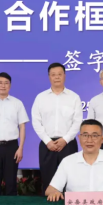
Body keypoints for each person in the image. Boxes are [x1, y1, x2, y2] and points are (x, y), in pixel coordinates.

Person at [45, 119, 103, 202]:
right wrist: (54, 192)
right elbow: (50, 190)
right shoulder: (67, 161)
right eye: (85, 135)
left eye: (94, 136)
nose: (89, 140)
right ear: (79, 138)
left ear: (102, 139)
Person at [32, 63, 83, 194]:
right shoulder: (40, 98)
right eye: (53, 75)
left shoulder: (74, 97)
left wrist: (65, 140)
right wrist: (47, 141)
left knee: (70, 180)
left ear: (64, 76)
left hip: (68, 144)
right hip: (47, 144)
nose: (57, 77)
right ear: (49, 77)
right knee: (48, 180)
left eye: (59, 74)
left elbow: (77, 122)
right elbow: (36, 122)